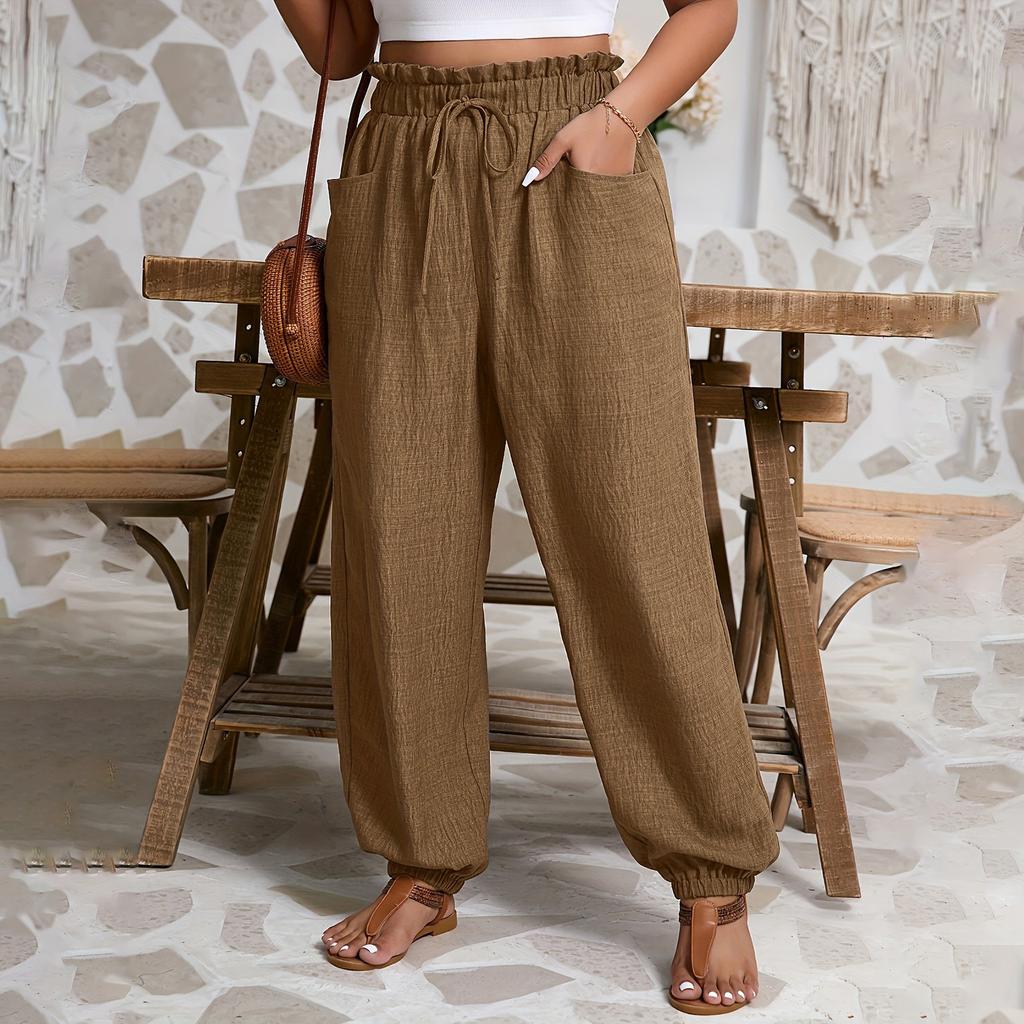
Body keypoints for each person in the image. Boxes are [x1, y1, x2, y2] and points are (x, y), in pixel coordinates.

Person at [273, 0, 780, 1013]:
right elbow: (344, 49)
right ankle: (421, 861)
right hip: (403, 151)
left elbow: (711, 9)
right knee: (402, 530)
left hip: (573, 141)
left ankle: (711, 870)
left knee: (631, 523)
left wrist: (620, 118)